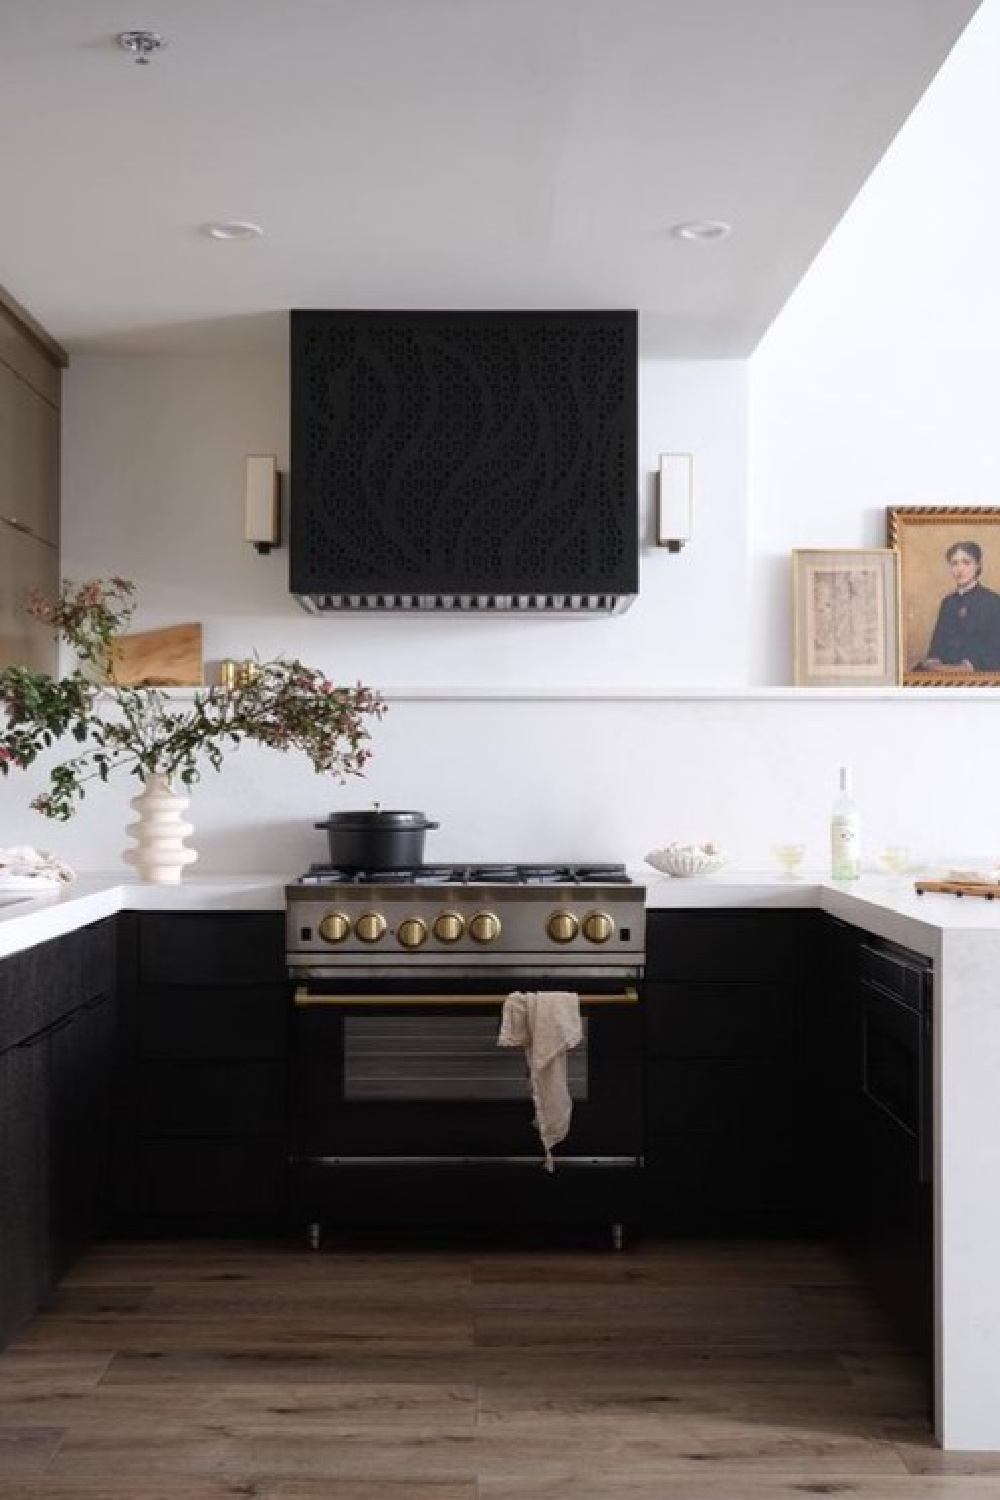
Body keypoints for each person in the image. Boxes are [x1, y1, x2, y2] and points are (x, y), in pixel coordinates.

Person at [917, 540, 1000, 672]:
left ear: (977, 565)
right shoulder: (948, 602)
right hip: (944, 669)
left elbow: (995, 648)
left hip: (979, 672)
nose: (960, 569)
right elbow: (937, 643)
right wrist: (934, 660)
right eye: (954, 563)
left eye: (966, 562)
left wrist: (967, 666)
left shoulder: (992, 601)